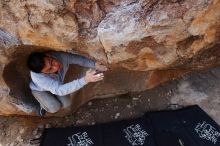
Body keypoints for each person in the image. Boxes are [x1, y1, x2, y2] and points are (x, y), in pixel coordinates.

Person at [27, 51, 107, 116]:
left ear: (48, 55)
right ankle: (42, 105)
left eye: (51, 62)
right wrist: (85, 80)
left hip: (55, 85)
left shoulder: (60, 56)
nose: (55, 67)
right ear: (42, 73)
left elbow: (79, 59)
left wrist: (94, 64)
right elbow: (59, 90)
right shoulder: (38, 77)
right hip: (39, 89)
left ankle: (52, 94)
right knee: (54, 108)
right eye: (49, 70)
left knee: (66, 103)